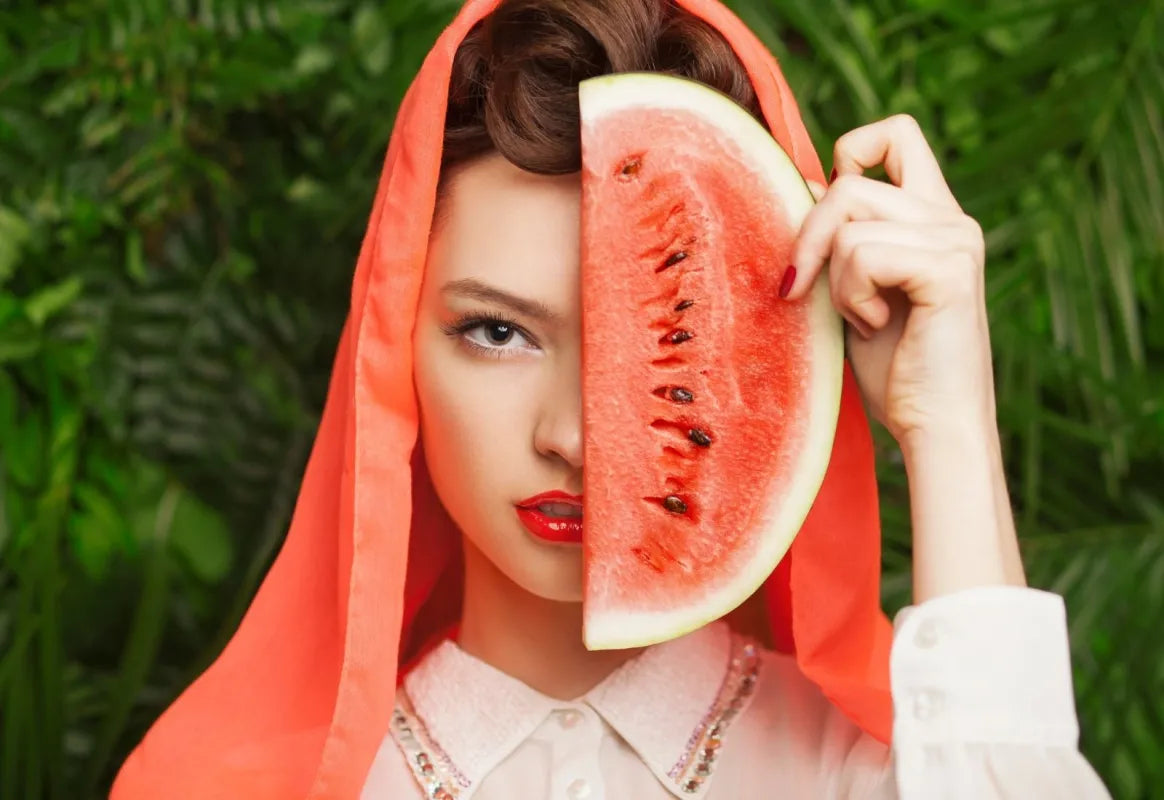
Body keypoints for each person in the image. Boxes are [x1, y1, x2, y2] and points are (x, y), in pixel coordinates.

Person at [111, 0, 1113, 798]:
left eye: (663, 343)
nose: (577, 435)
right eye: (496, 330)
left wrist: (948, 425)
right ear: (391, 351)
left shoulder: (879, 775)